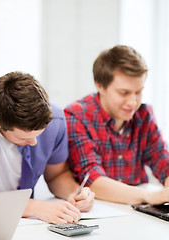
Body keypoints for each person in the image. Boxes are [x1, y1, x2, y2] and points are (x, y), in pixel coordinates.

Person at [0, 71, 95, 224]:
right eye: (24, 138)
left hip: (21, 222)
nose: (34, 142)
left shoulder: (56, 119)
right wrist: (37, 208)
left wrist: (75, 193)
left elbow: (57, 175)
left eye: (39, 134)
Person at [65, 45, 169, 205]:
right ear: (100, 85)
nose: (133, 102)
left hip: (135, 210)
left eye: (138, 92)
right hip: (96, 208)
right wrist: (149, 196)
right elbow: (93, 179)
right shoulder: (76, 116)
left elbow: (162, 159)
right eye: (124, 93)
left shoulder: (144, 114)